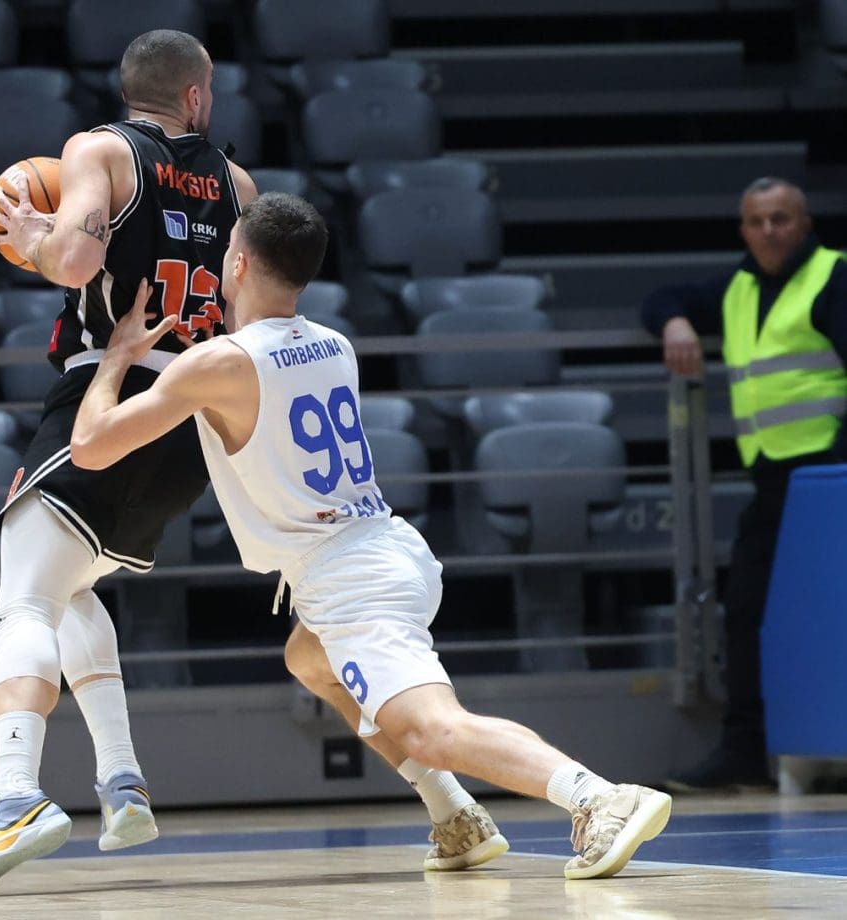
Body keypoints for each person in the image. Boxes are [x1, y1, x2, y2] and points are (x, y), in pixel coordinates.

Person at [71, 192, 674, 881]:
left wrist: (115, 357)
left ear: (235, 262)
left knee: (434, 729)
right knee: (309, 660)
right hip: (385, 549)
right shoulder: (334, 343)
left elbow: (90, 446)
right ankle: (455, 814)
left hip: (351, 580)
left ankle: (600, 798)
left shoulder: (218, 365)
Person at [0, 29, 256, 899]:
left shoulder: (100, 150)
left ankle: (13, 800)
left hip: (106, 398)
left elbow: (73, 260)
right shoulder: (239, 185)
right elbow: (248, 313)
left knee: (22, 602)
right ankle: (121, 782)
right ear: (197, 96)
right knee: (69, 588)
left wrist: (36, 234)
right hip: (188, 418)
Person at [642, 177, 847, 793]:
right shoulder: (737, 286)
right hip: (776, 480)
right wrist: (676, 322)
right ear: (742, 229)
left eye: (781, 219)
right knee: (748, 613)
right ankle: (745, 751)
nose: (768, 231)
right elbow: (660, 297)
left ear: (805, 224)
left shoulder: (834, 278)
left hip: (830, 477)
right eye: (756, 222)